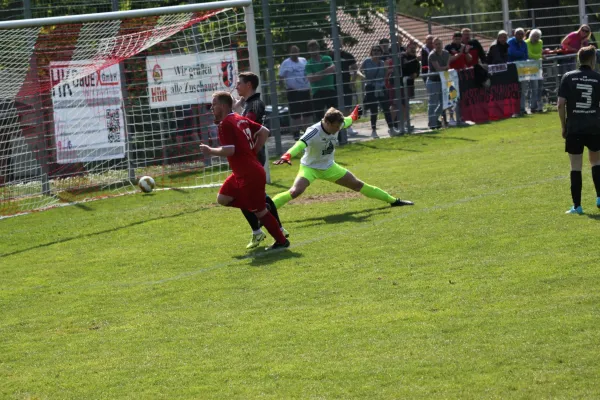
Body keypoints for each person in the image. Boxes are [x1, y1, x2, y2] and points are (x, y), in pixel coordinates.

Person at [271, 106, 413, 209]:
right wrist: (287, 155)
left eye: (340, 126)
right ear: (327, 123)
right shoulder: (313, 131)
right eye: (336, 127)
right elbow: (300, 144)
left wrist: (354, 115)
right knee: (295, 191)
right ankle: (267, 210)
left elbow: (349, 120)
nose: (339, 129)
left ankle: (394, 201)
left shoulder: (338, 123)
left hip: (329, 167)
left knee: (358, 184)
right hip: (310, 168)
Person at [199, 91, 290, 250]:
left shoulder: (225, 124)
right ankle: (259, 209)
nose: (211, 108)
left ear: (222, 105)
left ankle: (281, 241)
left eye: (214, 105)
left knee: (260, 212)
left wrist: (210, 151)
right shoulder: (239, 118)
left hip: (249, 173)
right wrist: (254, 151)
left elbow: (230, 150)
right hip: (243, 171)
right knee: (223, 198)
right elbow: (264, 132)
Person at [233, 72, 289, 249]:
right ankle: (267, 230)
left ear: (249, 85)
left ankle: (272, 230)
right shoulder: (248, 103)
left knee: (248, 196)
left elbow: (247, 126)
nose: (236, 86)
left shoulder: (255, 104)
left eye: (239, 83)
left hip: (253, 155)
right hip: (249, 155)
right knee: (249, 196)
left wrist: (232, 114)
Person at [557, 45, 600, 214]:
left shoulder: (568, 77)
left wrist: (563, 125)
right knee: (596, 162)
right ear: (592, 60)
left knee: (576, 167)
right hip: (594, 126)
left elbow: (560, 104)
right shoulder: (598, 78)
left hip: (574, 127)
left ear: (578, 60)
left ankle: (577, 206)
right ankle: (599, 197)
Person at [278, 45, 313, 141]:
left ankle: (307, 132)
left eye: (296, 52)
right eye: (293, 52)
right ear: (290, 52)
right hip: (293, 91)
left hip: (305, 90)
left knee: (307, 113)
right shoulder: (286, 63)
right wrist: (283, 89)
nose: (295, 54)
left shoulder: (303, 60)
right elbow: (281, 77)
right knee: (295, 114)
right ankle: (296, 133)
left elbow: (308, 72)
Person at [360, 45, 395, 138]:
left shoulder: (383, 63)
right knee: (373, 109)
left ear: (381, 53)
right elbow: (359, 71)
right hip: (371, 87)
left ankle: (391, 128)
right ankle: (374, 130)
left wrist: (388, 69)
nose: (376, 52)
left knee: (386, 108)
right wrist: (363, 77)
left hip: (381, 87)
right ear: (371, 52)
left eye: (378, 51)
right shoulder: (367, 61)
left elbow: (386, 74)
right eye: (374, 50)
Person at [427, 37, 461, 129]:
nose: (438, 46)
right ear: (433, 45)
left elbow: (447, 66)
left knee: (443, 103)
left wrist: (445, 68)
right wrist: (445, 68)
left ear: (442, 44)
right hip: (433, 81)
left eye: (439, 44)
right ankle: (432, 123)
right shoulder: (432, 55)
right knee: (433, 103)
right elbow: (438, 68)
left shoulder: (446, 53)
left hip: (443, 80)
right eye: (436, 44)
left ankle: (433, 120)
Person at [386, 41, 420, 132]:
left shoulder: (415, 59)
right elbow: (404, 66)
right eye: (411, 48)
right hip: (397, 83)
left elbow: (417, 71)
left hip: (408, 84)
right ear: (407, 48)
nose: (413, 50)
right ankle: (391, 126)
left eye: (414, 49)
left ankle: (404, 124)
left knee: (405, 105)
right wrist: (415, 61)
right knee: (395, 105)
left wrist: (415, 74)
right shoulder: (401, 56)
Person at [329, 48, 360, 136]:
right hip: (334, 84)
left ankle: (348, 127)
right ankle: (337, 128)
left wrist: (352, 81)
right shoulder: (330, 56)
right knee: (335, 108)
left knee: (347, 107)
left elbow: (355, 68)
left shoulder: (347, 55)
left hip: (346, 84)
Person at [305, 40, 337, 121]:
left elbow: (333, 69)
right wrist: (326, 71)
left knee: (334, 115)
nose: (313, 51)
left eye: (315, 48)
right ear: (309, 51)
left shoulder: (327, 58)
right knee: (319, 117)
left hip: (330, 90)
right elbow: (311, 78)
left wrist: (317, 74)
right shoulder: (308, 64)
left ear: (318, 49)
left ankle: (336, 133)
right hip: (317, 92)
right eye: (311, 49)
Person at [445, 32, 472, 126]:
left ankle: (461, 117)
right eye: (455, 38)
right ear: (452, 38)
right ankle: (452, 118)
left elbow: (469, 60)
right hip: (451, 75)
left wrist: (466, 52)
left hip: (462, 74)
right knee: (452, 96)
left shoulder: (464, 47)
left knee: (461, 97)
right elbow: (450, 60)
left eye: (459, 39)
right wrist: (460, 52)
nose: (457, 40)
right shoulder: (448, 47)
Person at [508, 28, 529, 116]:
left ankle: (522, 108)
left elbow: (526, 55)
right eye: (518, 34)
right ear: (514, 34)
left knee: (523, 89)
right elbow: (512, 53)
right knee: (513, 89)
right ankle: (513, 109)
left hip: (522, 68)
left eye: (521, 34)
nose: (520, 36)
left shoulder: (524, 43)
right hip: (512, 69)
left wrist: (521, 54)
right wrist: (521, 53)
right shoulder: (510, 42)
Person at [525, 29, 544, 113]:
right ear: (530, 36)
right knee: (534, 87)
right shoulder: (526, 42)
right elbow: (529, 55)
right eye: (534, 36)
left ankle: (539, 106)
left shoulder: (540, 42)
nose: (536, 38)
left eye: (537, 36)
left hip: (539, 66)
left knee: (540, 86)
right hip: (530, 67)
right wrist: (540, 56)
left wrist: (538, 56)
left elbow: (539, 52)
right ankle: (532, 106)